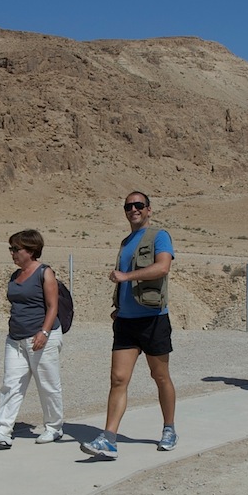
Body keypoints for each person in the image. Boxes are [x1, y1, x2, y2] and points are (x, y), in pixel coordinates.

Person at [80, 192, 177, 460]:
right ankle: (109, 438)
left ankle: (169, 428)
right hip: (125, 322)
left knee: (160, 376)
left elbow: (162, 268)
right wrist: (119, 307)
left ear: (148, 209)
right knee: (118, 379)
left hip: (153, 319)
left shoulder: (159, 236)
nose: (133, 209)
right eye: (128, 206)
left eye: (138, 205)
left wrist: (126, 276)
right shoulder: (125, 242)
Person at [0, 230, 65, 449]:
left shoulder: (45, 272)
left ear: (30, 250)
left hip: (41, 336)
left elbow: (53, 306)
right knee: (11, 384)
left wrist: (44, 332)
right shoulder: (15, 275)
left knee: (47, 384)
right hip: (15, 338)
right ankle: (2, 431)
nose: (12, 253)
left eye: (16, 249)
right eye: (11, 249)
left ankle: (54, 427)